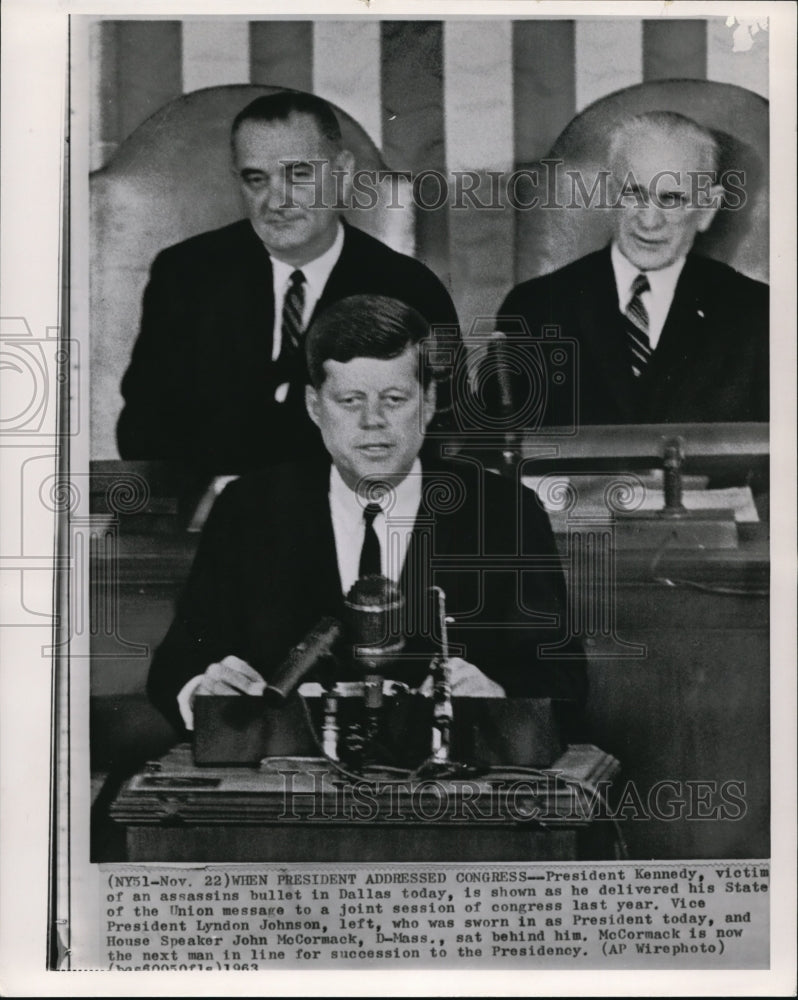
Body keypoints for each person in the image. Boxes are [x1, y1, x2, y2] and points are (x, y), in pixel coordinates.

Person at [146, 295, 587, 735]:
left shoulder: (504, 512)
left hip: (447, 788)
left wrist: (497, 696)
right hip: (290, 788)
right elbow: (176, 668)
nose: (372, 420)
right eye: (350, 400)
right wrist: (202, 690)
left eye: (394, 399)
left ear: (429, 402)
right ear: (314, 406)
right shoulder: (248, 509)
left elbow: (564, 682)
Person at [116, 92, 459, 472]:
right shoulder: (187, 275)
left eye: (298, 175)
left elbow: (439, 439)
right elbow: (141, 430)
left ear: (342, 175)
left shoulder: (408, 290)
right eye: (256, 179)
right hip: (215, 518)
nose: (276, 201)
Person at [489, 111, 769, 426]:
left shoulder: (757, 315)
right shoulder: (534, 309)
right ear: (610, 194)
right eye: (634, 193)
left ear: (707, 208)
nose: (649, 222)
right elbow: (498, 457)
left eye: (672, 199)